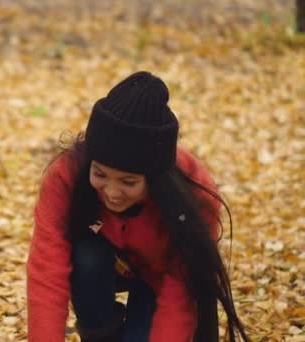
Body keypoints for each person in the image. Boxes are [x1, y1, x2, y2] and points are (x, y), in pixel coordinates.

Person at [27, 71, 249, 342]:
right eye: (100, 174)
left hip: (159, 277)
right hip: (97, 265)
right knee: (88, 256)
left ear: (154, 177)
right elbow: (47, 268)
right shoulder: (66, 174)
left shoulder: (193, 195)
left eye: (128, 182)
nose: (111, 192)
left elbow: (180, 292)